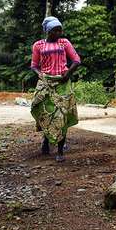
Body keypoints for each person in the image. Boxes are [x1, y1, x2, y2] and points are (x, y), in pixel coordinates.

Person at [30, 16, 81, 162]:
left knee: (62, 116)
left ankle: (60, 150)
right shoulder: (38, 45)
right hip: (46, 83)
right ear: (48, 31)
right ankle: (46, 140)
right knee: (45, 113)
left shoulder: (64, 43)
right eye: (55, 30)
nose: (58, 33)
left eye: (60, 30)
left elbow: (77, 60)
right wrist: (41, 75)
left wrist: (68, 73)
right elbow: (34, 65)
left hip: (63, 83)